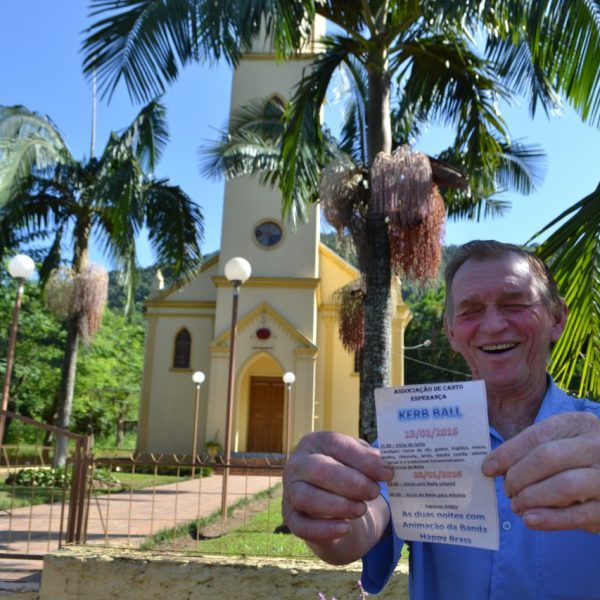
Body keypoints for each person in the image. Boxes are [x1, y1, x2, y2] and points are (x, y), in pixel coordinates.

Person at [282, 240, 600, 599]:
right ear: (451, 333)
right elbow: (353, 532)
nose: (493, 324)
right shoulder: (414, 436)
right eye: (470, 311)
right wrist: (322, 509)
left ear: (557, 319)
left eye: (514, 303)